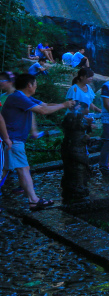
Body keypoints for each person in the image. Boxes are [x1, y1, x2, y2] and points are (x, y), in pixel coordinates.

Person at [1, 74, 73, 210]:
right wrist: (63, 105)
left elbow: (45, 105)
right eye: (35, 83)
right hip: (12, 140)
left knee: (10, 171)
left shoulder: (23, 97)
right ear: (29, 85)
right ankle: (33, 200)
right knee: (21, 169)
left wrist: (65, 105)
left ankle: (33, 200)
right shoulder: (18, 97)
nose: (36, 86)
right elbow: (43, 110)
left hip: (13, 141)